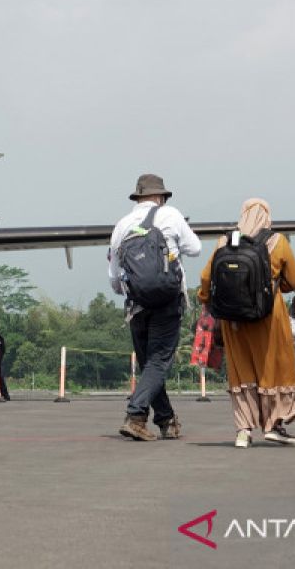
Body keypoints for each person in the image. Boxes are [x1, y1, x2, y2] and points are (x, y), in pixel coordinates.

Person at [198, 198, 295, 448]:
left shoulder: (225, 241)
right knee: (274, 369)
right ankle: (274, 425)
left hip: (233, 320)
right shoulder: (277, 241)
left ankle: (243, 431)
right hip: (268, 317)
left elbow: (205, 277)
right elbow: (294, 281)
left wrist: (206, 300)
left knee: (241, 371)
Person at [108, 173, 201, 441]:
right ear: (160, 197)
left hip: (136, 305)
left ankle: (166, 420)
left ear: (138, 197)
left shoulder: (122, 226)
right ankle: (135, 416)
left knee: (151, 363)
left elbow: (114, 280)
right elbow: (194, 249)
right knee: (158, 362)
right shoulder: (171, 215)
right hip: (167, 302)